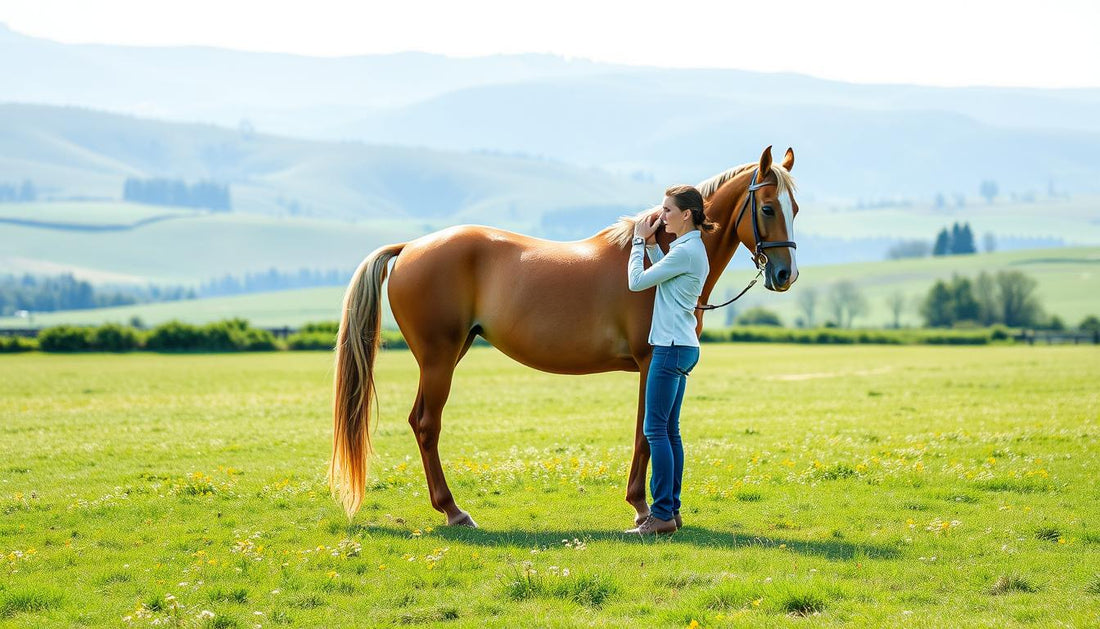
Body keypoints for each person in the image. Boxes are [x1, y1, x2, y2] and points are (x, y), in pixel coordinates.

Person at [625, 184, 714, 535]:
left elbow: (636, 283)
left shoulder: (686, 251)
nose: (662, 217)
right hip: (683, 345)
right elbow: (666, 274)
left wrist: (636, 242)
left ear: (686, 214)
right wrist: (649, 247)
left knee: (655, 430)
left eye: (667, 211)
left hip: (670, 347)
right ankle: (671, 511)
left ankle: (661, 515)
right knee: (670, 430)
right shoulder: (690, 249)